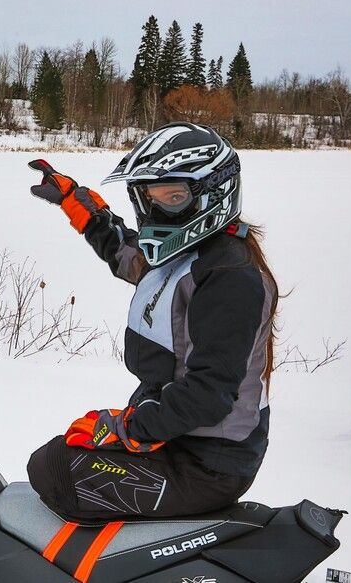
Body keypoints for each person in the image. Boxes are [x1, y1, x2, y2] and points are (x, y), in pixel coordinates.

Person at [25, 122, 277, 522]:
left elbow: (208, 396)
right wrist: (79, 204)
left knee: (54, 470)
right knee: (55, 460)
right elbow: (125, 253)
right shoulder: (186, 253)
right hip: (175, 435)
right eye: (149, 198)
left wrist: (124, 427)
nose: (157, 211)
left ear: (214, 193)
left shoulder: (230, 278)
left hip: (210, 463)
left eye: (173, 197)